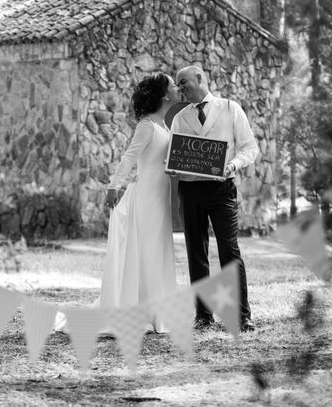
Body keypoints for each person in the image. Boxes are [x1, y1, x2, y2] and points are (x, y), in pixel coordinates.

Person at [54, 73, 179, 333]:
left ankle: (157, 311)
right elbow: (129, 157)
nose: (177, 88)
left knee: (158, 251)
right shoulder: (147, 126)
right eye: (174, 85)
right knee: (146, 250)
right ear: (165, 95)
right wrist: (114, 185)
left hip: (161, 196)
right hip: (146, 197)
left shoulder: (165, 126)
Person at [170, 65, 258, 332]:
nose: (180, 89)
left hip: (222, 190)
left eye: (183, 83)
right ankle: (203, 316)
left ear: (200, 78)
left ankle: (242, 316)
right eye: (177, 85)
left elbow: (250, 148)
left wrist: (232, 165)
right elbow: (175, 152)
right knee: (196, 253)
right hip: (190, 189)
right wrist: (172, 164)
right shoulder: (180, 117)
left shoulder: (231, 108)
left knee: (229, 252)